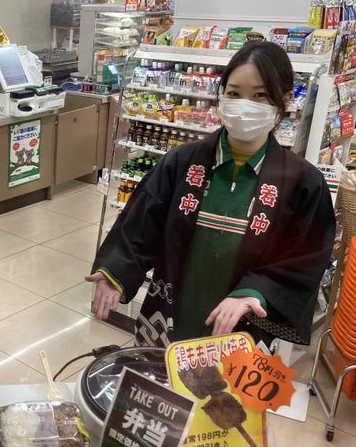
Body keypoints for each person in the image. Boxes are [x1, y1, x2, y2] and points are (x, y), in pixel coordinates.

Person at [88, 41, 335, 348]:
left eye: (260, 95)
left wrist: (254, 292)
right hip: (169, 314)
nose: (244, 105)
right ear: (221, 96)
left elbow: (305, 256)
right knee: (163, 374)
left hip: (243, 329)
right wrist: (116, 270)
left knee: (226, 381)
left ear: (284, 101)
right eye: (234, 93)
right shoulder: (181, 162)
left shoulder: (303, 181)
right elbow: (140, 224)